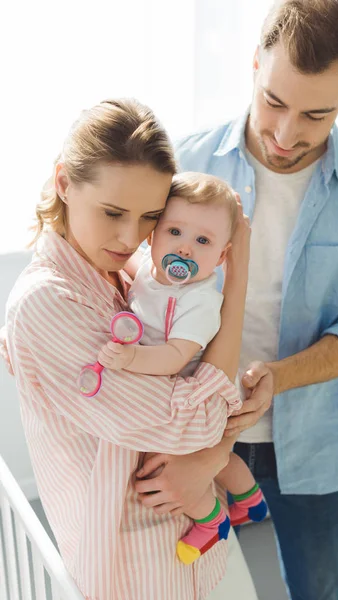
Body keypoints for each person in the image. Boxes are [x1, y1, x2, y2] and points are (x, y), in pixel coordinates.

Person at [132, 1, 338, 598]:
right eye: (274, 101)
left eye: (315, 114)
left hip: (313, 445)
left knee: (318, 588)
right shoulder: (183, 163)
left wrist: (278, 376)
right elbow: (125, 266)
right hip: (185, 433)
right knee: (173, 582)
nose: (285, 134)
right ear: (254, 64)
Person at [0, 98, 259, 600]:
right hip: (142, 568)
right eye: (113, 212)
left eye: (149, 217)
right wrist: (239, 279)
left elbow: (200, 391)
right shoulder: (48, 302)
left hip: (195, 545)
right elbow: (199, 419)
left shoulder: (123, 271)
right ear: (64, 184)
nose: (130, 236)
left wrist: (210, 454)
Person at [97, 171, 267, 565]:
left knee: (169, 464)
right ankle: (250, 499)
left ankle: (211, 521)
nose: (186, 249)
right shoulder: (151, 272)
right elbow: (131, 270)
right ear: (152, 236)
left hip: (191, 396)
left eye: (203, 241)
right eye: (175, 232)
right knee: (218, 457)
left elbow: (175, 355)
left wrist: (131, 358)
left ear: (223, 256)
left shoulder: (198, 301)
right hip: (178, 387)